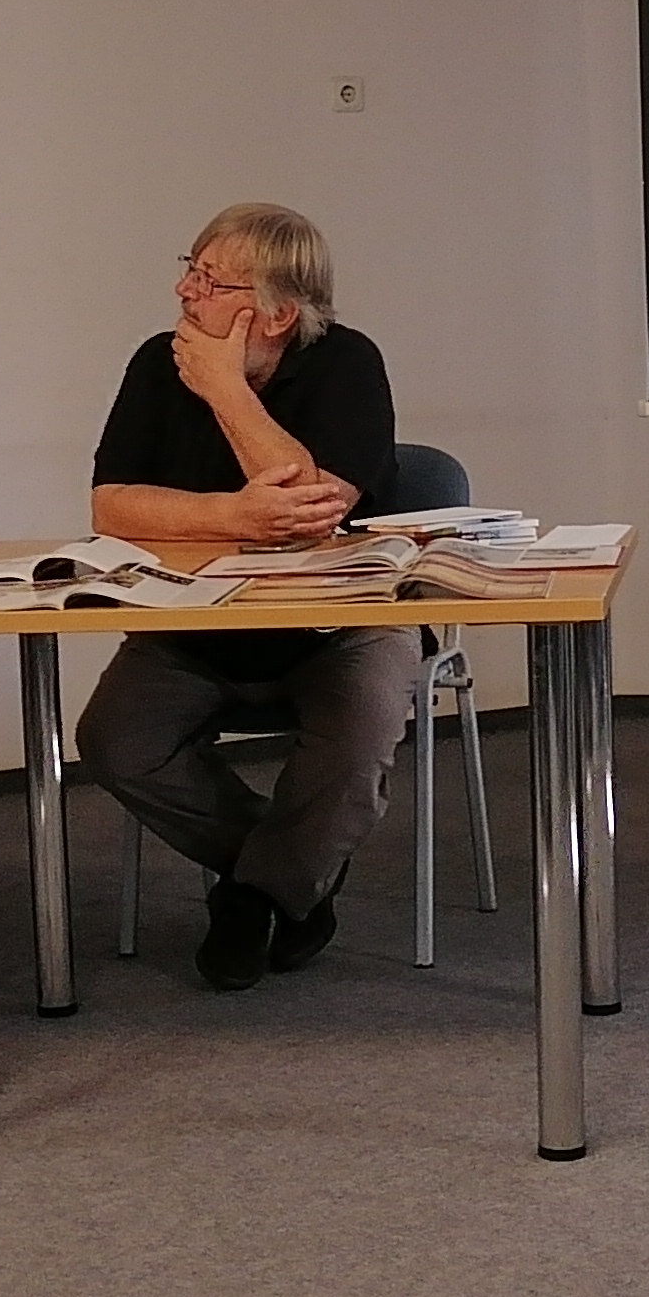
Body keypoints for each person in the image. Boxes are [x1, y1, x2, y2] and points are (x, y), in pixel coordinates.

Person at [80, 201, 412, 992]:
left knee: (359, 734)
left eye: (209, 280)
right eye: (189, 270)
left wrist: (227, 390)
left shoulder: (348, 363)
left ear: (277, 313)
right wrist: (231, 516)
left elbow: (314, 511)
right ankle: (289, 877)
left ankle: (250, 901)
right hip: (198, 620)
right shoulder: (156, 362)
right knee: (116, 741)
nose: (184, 292)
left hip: (342, 624)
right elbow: (111, 505)